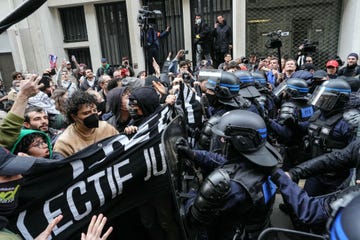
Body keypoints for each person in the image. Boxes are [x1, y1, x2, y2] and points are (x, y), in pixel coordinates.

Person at [175, 110, 281, 240]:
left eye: (224, 138)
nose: (221, 140)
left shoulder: (230, 186)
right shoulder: (263, 164)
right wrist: (193, 154)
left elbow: (193, 219)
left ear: (241, 142)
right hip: (258, 228)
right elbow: (221, 161)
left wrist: (193, 191)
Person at [304, 78, 354, 196]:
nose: (322, 99)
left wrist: (351, 181)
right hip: (315, 171)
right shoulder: (317, 115)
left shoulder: (348, 122)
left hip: (337, 177)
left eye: (327, 97)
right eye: (321, 95)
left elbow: (355, 154)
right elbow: (304, 128)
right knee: (306, 205)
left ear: (340, 100)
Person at [53, 90, 118, 157]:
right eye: (86, 113)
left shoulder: (106, 127)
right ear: (74, 117)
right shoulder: (65, 143)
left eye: (95, 110)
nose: (93, 114)